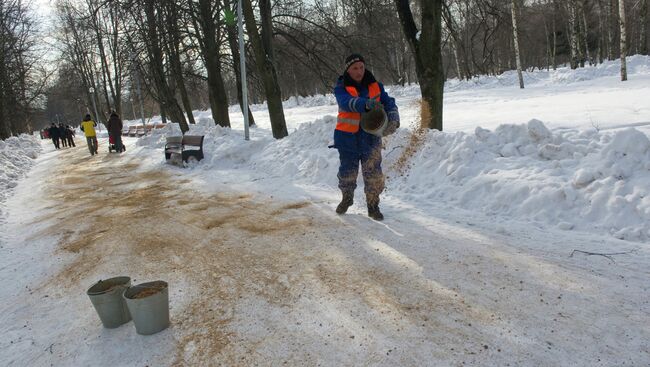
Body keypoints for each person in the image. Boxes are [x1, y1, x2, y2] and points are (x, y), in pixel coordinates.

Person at [331, 53, 400, 221]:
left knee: (374, 173)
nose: (359, 71)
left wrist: (393, 115)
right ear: (348, 70)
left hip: (370, 138)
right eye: (355, 68)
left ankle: (373, 205)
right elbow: (346, 102)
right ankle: (347, 197)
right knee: (348, 172)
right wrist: (365, 104)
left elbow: (388, 101)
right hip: (347, 139)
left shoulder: (375, 85)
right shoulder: (341, 88)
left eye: (361, 67)